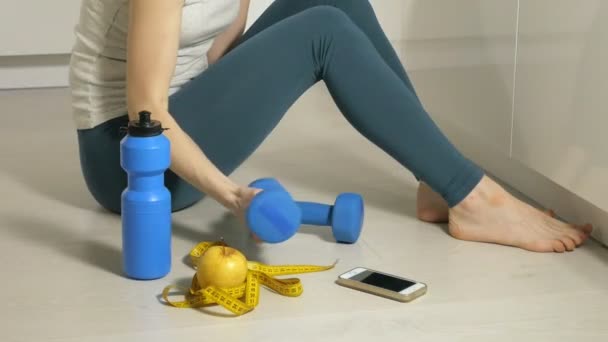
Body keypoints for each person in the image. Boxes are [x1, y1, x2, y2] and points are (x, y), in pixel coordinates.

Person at [69, 0, 592, 253]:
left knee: (333, 1)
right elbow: (148, 111)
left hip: (180, 117)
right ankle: (474, 199)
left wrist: (251, 85)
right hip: (131, 160)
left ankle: (437, 181)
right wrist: (232, 197)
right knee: (323, 32)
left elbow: (217, 58)